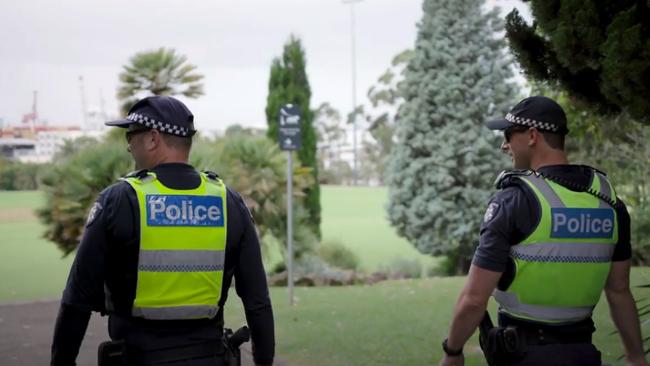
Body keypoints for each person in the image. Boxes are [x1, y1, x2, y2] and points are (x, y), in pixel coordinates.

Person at [50, 96, 275, 366]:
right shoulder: (228, 202)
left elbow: (78, 299)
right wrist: (263, 360)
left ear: (153, 139)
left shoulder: (119, 200)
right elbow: (257, 299)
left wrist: (61, 361)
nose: (129, 146)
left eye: (131, 135)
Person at [438, 96, 647, 366]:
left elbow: (474, 299)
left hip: (523, 356)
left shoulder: (513, 200)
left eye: (509, 135)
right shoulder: (607, 201)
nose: (504, 145)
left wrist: (452, 352)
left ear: (532, 135)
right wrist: (637, 357)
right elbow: (619, 291)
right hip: (583, 354)